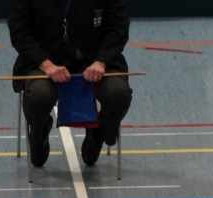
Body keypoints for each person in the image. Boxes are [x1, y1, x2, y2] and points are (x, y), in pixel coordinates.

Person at [8, 0, 133, 167]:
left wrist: (101, 62)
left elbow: (118, 29)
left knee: (119, 94)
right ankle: (39, 133)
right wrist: (46, 65)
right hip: (44, 62)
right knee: (38, 96)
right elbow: (20, 32)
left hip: (95, 60)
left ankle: (98, 133)